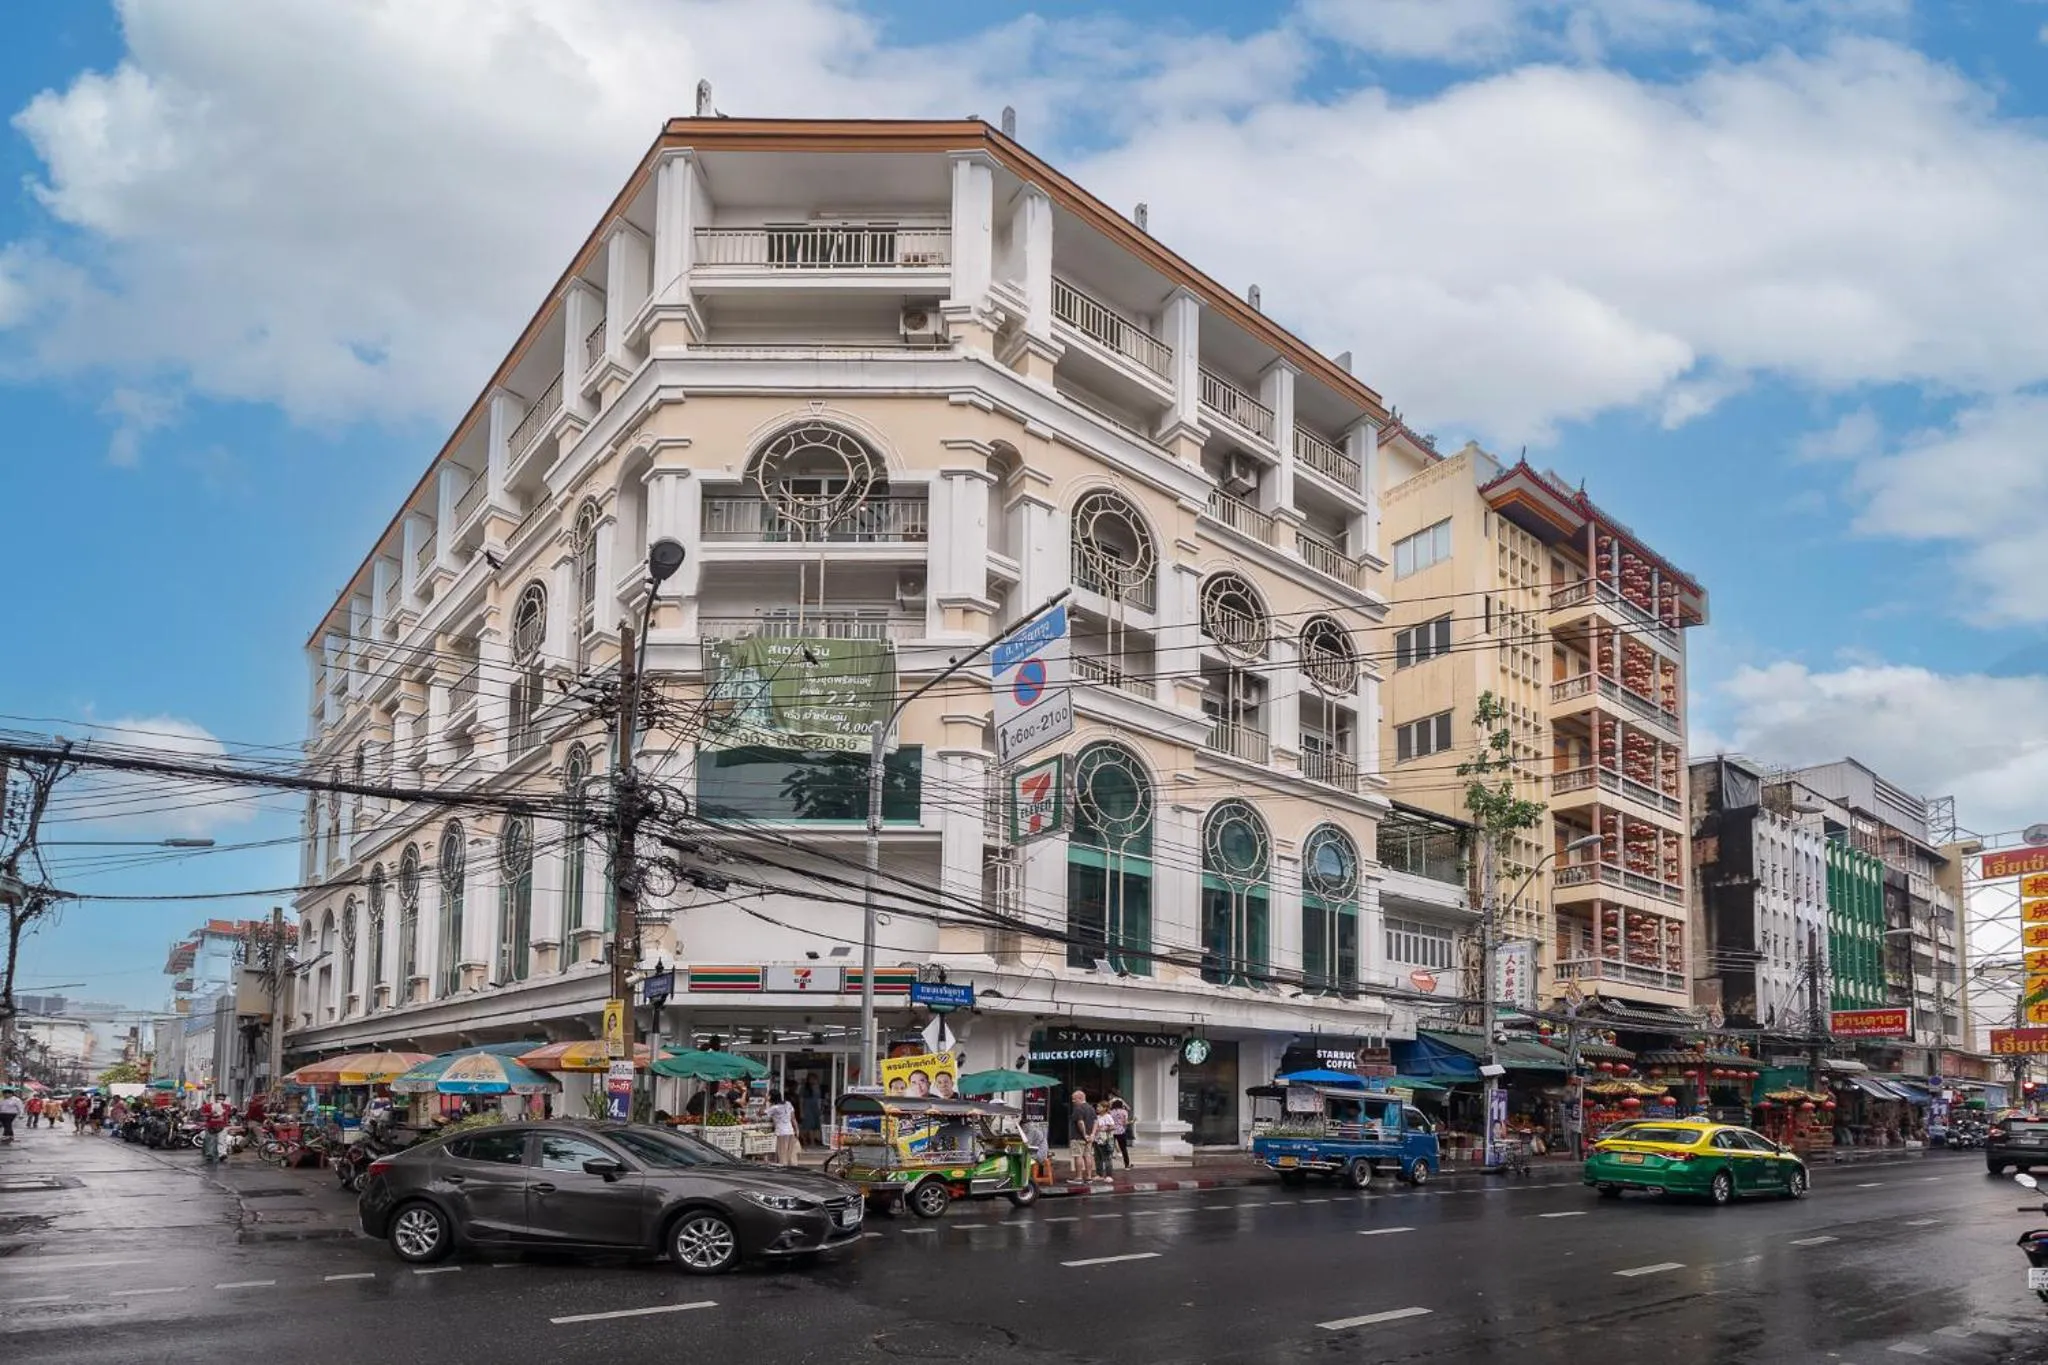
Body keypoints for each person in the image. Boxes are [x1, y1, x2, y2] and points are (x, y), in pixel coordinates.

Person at [1068, 1090, 1098, 1184]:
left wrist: (1084, 1134)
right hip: (1089, 1137)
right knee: (1088, 1156)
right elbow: (1096, 1122)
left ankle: (1079, 1177)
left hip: (1078, 1137)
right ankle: (1089, 1177)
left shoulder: (1078, 1108)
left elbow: (1080, 1122)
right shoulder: (1091, 1108)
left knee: (1078, 1156)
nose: (1073, 1101)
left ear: (1080, 1098)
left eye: (1074, 1099)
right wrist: (1092, 1134)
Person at [767, 1090, 799, 1166]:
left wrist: (765, 1101)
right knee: (791, 1154)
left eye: (769, 1095)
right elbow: (793, 1118)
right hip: (790, 1131)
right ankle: (793, 1169)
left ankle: (784, 1171)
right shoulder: (788, 1104)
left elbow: (760, 1113)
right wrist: (797, 1129)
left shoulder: (774, 1108)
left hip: (781, 1132)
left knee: (782, 1154)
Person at [1108, 1097, 1133, 1169]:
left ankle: (1108, 1165)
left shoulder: (1110, 1112)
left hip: (1112, 1131)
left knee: (1110, 1149)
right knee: (1123, 1149)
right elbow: (1125, 1123)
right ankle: (1127, 1165)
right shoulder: (1124, 1112)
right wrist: (1132, 1121)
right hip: (1121, 1131)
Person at [798, 1080, 823, 1147]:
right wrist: (801, 1112)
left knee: (814, 1127)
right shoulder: (804, 1090)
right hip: (807, 1109)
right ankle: (804, 1140)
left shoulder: (817, 1090)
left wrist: (819, 1110)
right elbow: (801, 1101)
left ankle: (811, 1141)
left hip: (814, 1110)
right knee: (808, 1127)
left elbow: (818, 1101)